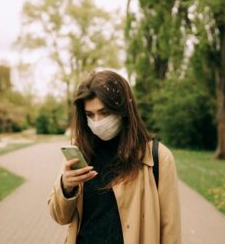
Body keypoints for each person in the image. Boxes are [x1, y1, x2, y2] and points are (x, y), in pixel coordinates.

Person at [48, 70, 181, 244]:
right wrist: (66, 187)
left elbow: (170, 229)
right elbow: (60, 217)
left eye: (104, 113)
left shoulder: (157, 157)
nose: (97, 121)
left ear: (124, 110)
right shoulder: (81, 151)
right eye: (90, 115)